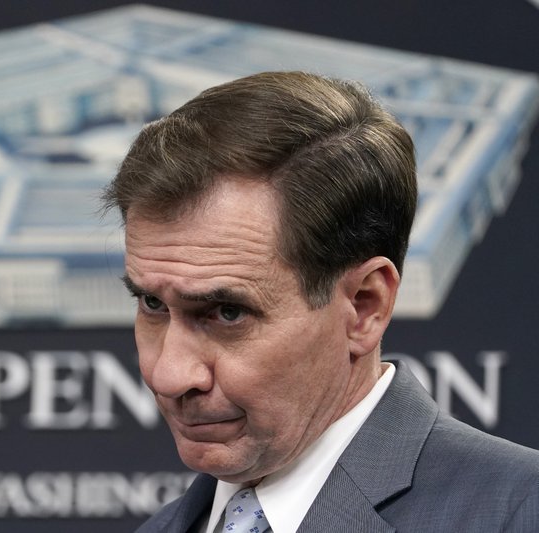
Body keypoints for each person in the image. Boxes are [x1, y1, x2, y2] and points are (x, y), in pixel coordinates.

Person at [101, 71, 539, 532]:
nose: (169, 375)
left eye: (227, 313)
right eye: (152, 303)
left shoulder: (518, 514)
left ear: (365, 307)